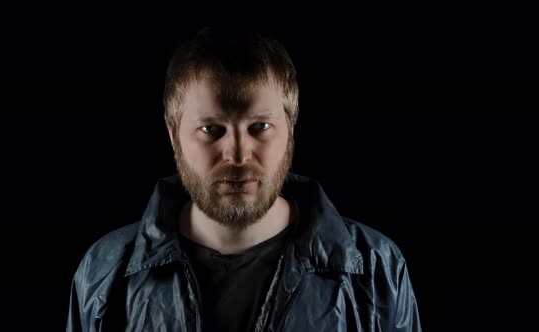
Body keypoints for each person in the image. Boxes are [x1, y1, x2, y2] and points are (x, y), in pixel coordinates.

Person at [66, 26, 421, 332]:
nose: (237, 155)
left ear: (290, 130)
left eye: (260, 127)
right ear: (173, 135)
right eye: (211, 129)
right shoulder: (105, 273)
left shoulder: (377, 270)